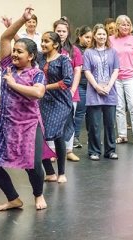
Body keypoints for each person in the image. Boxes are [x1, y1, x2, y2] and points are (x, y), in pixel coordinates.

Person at [0, 7, 50, 210]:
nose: (14, 54)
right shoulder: (7, 66)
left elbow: (38, 93)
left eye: (19, 52)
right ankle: (13, 198)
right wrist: (23, 19)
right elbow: (5, 38)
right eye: (14, 50)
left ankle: (38, 195)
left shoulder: (36, 73)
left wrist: (13, 84)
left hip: (29, 124)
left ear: (30, 56)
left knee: (32, 164)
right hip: (4, 122)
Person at [38, 31, 74, 183]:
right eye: (42, 41)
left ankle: (61, 173)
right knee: (40, 136)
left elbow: (67, 81)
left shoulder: (63, 60)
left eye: (46, 41)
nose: (43, 44)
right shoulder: (40, 57)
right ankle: (50, 172)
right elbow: (27, 46)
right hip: (44, 101)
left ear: (56, 44)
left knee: (57, 134)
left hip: (60, 102)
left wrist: (45, 87)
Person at [82, 24, 120, 161]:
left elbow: (116, 69)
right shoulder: (88, 52)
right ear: (94, 36)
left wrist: (109, 86)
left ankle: (110, 150)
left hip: (110, 91)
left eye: (104, 34)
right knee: (94, 124)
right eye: (99, 34)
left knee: (110, 123)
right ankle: (94, 151)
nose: (102, 37)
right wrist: (97, 87)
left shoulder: (112, 52)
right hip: (94, 92)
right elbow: (86, 71)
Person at [110, 15, 133, 146]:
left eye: (128, 25)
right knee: (119, 107)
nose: (126, 27)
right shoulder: (111, 39)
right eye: (123, 25)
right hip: (116, 78)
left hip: (131, 77)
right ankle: (122, 135)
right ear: (117, 26)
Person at [52, 17, 83, 161]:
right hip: (53, 91)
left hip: (70, 92)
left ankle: (68, 150)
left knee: (69, 120)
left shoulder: (74, 50)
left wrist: (72, 89)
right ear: (54, 32)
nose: (61, 33)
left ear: (68, 32)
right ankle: (52, 151)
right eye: (58, 31)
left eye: (64, 31)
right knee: (52, 120)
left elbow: (77, 70)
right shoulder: (50, 48)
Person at [73, 25, 92, 148]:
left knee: (92, 113)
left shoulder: (94, 50)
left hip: (92, 85)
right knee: (79, 112)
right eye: (86, 37)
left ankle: (93, 138)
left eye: (91, 38)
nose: (89, 40)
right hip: (80, 84)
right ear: (80, 36)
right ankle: (75, 137)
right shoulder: (75, 49)